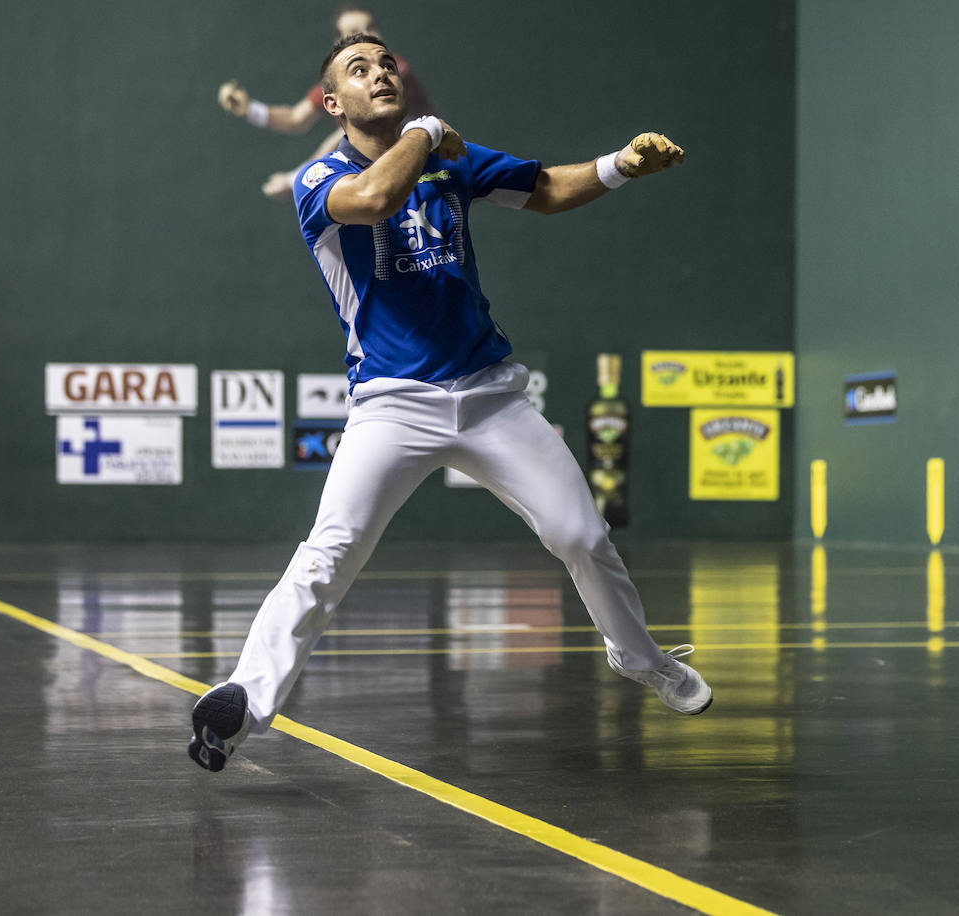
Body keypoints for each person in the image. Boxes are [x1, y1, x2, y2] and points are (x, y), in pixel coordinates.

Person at [187, 31, 711, 773]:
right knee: (328, 553)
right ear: (333, 104)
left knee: (581, 536)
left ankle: (641, 658)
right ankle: (242, 701)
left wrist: (620, 166)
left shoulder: (446, 159)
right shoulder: (319, 181)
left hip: (492, 395)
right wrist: (427, 133)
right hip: (391, 407)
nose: (382, 75)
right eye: (360, 71)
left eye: (388, 66)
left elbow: (548, 189)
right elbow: (372, 199)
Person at [216, 6, 435, 199]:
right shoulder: (338, 84)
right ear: (339, 43)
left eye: (370, 28)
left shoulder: (394, 70)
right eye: (353, 33)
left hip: (421, 172)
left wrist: (295, 179)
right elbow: (296, 119)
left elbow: (372, 128)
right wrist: (249, 109)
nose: (365, 36)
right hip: (370, 181)